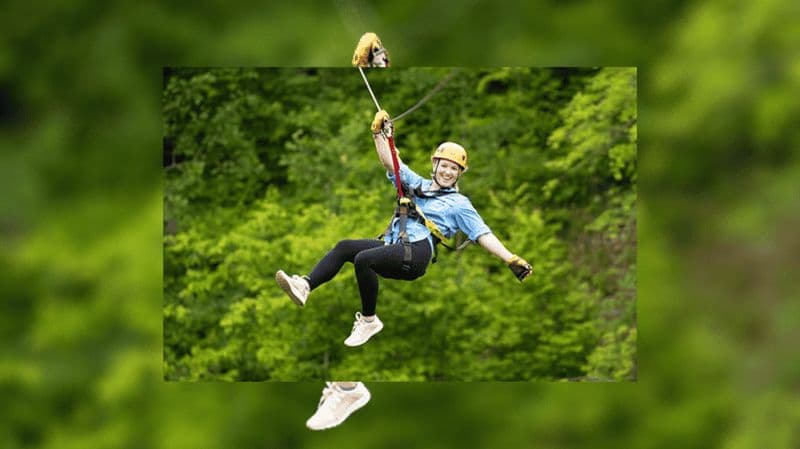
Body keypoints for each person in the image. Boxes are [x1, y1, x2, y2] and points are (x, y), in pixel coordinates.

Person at [276, 110, 533, 347]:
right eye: (444, 165)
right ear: (434, 165)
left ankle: (369, 320)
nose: (447, 171)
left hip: (417, 252)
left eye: (453, 169)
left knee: (364, 260)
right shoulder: (417, 184)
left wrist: (509, 258)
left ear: (458, 175)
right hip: (395, 246)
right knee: (346, 248)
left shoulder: (458, 205)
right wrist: (379, 134)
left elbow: (482, 233)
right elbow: (391, 162)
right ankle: (306, 285)